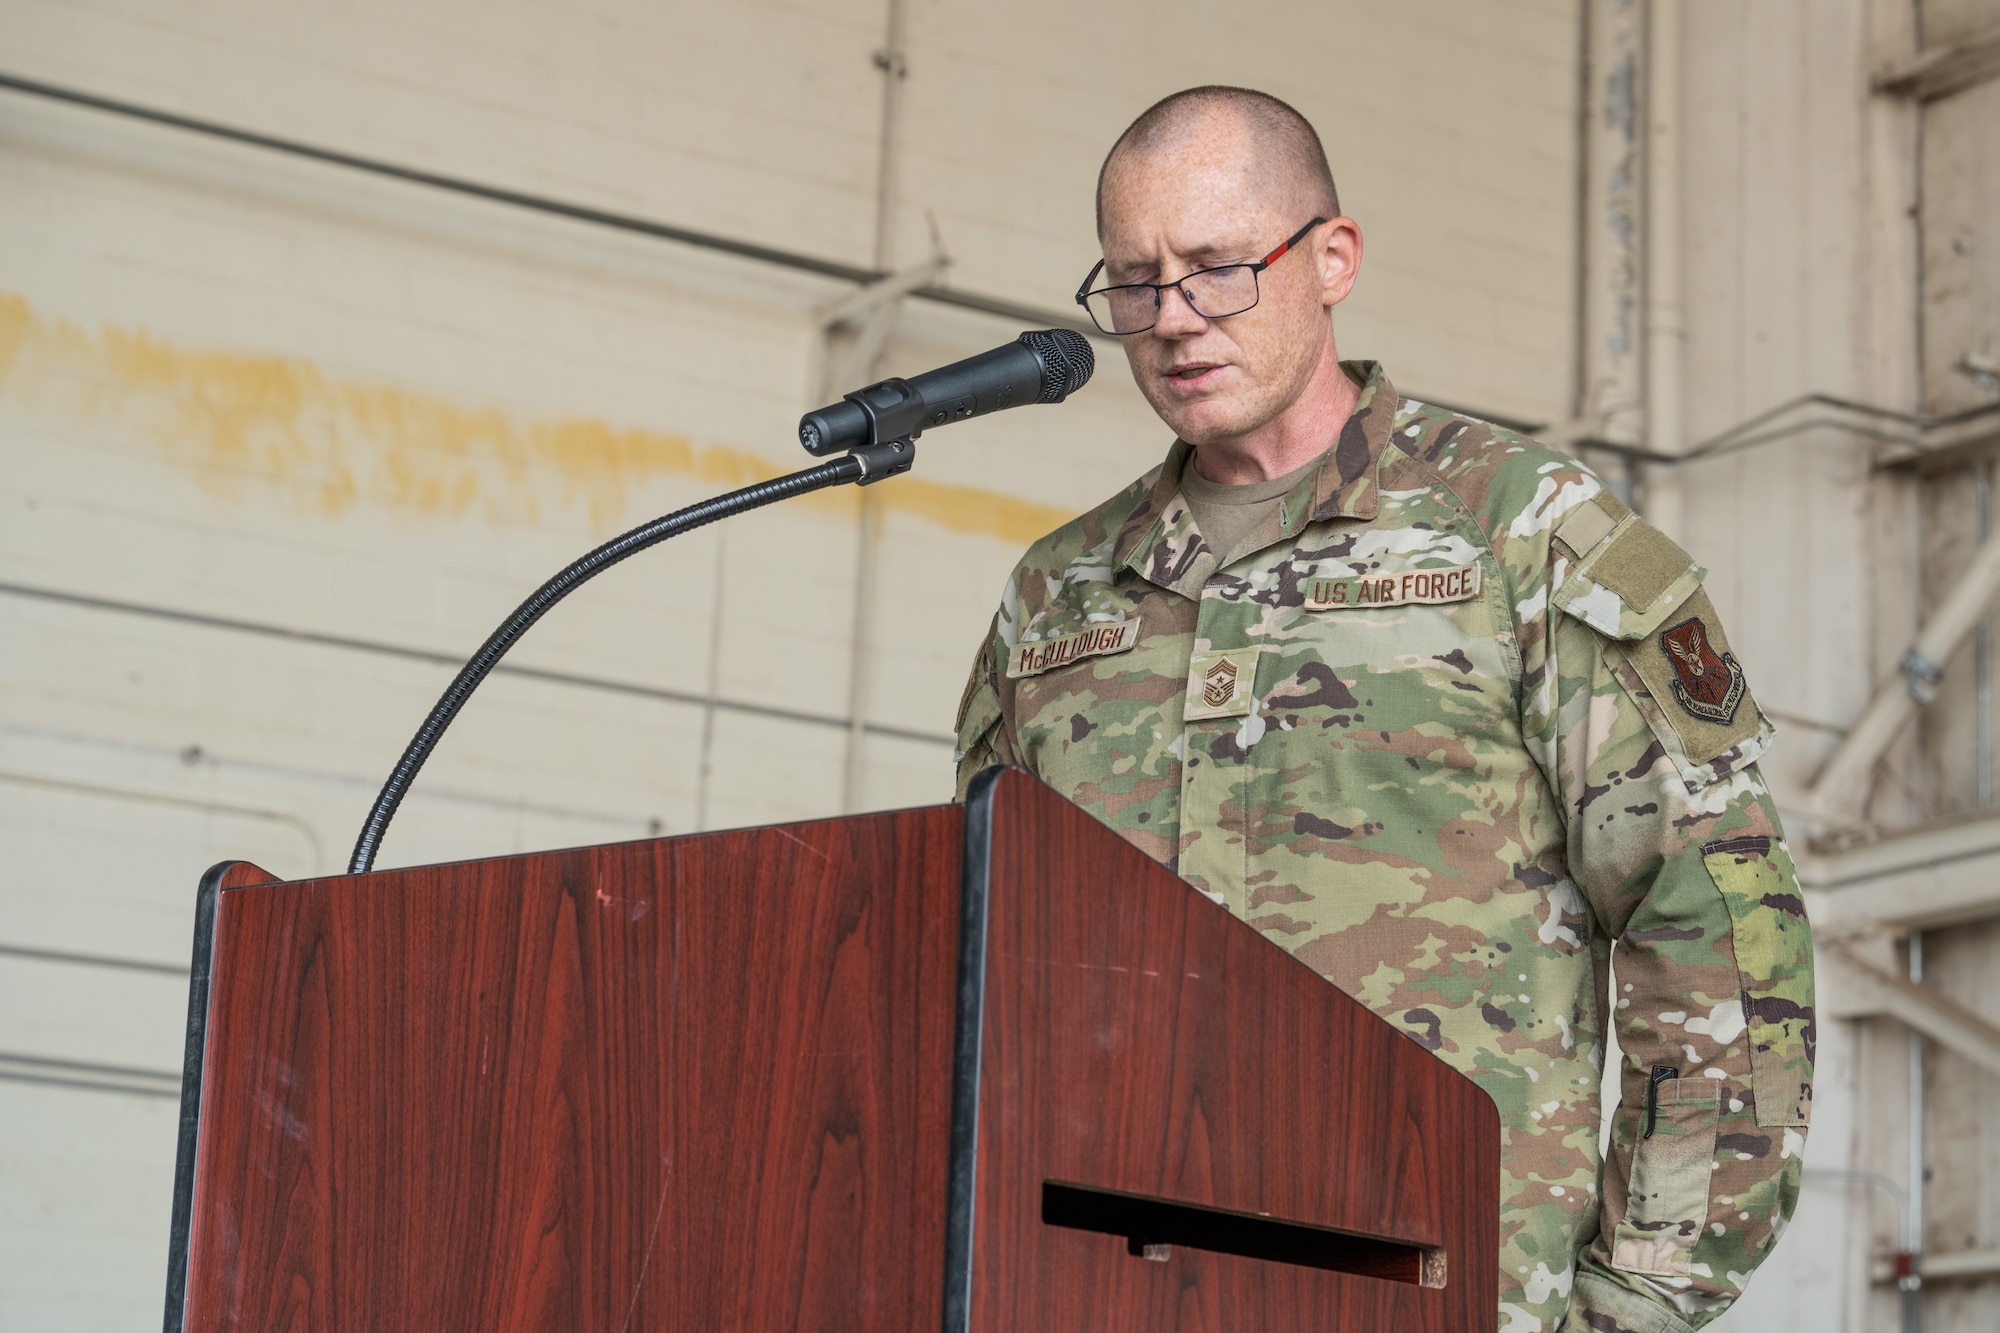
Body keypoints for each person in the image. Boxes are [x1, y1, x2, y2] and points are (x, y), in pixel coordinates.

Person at [952, 86, 1813, 1333]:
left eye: (1218, 270)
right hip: (1101, 1297)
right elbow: (984, 965)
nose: (1174, 322)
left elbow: (1721, 931)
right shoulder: (1057, 594)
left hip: (1446, 1290)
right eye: (1133, 284)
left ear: (1332, 258)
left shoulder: (1526, 532)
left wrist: (1634, 1304)